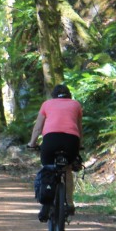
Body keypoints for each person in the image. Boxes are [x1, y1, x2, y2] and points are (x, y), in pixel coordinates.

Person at [27, 83, 82, 221]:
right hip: (71, 140)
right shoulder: (76, 105)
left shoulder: (47, 104)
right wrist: (78, 145)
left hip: (50, 140)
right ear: (69, 95)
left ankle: (46, 202)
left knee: (47, 168)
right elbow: (79, 128)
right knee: (68, 169)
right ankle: (69, 203)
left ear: (53, 96)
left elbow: (38, 128)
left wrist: (32, 143)